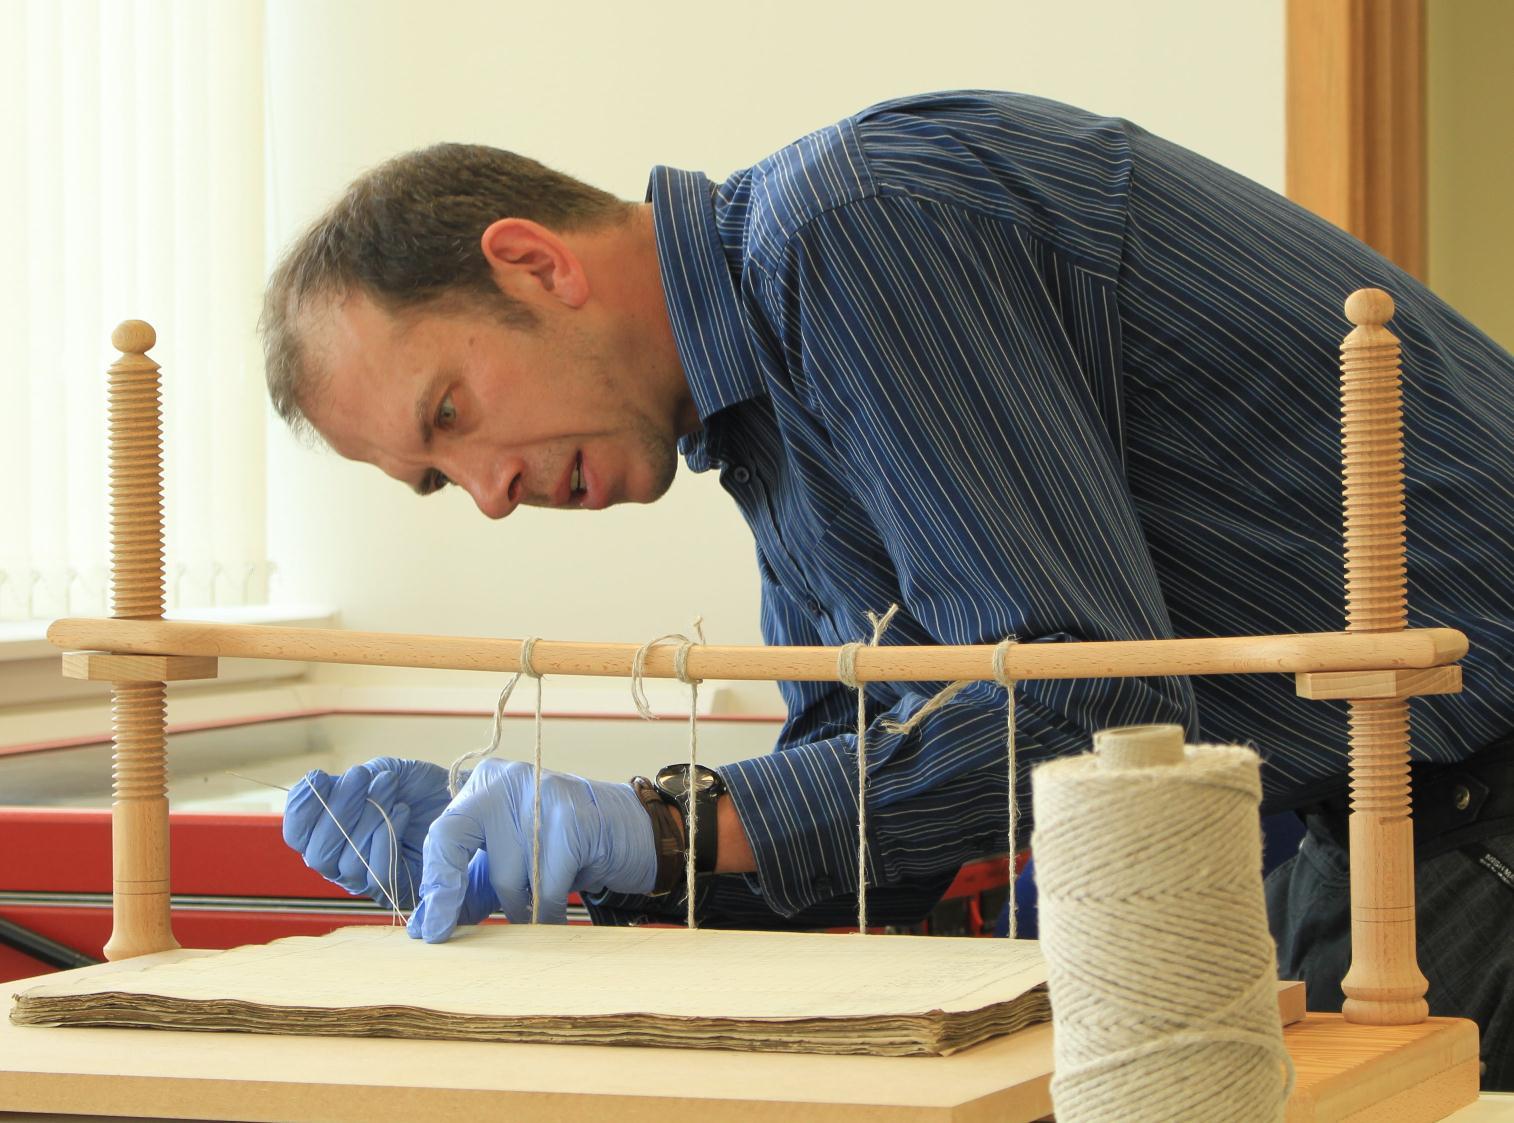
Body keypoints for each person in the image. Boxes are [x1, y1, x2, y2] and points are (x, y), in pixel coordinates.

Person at [265, 91, 1514, 1086]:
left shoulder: (856, 229)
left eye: (452, 414)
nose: (489, 494)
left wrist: (644, 819)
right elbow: (882, 830)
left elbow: (1084, 697)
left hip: (1479, 798)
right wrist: (580, 871)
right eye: (437, 481)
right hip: (1377, 826)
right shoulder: (760, 431)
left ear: (535, 264)